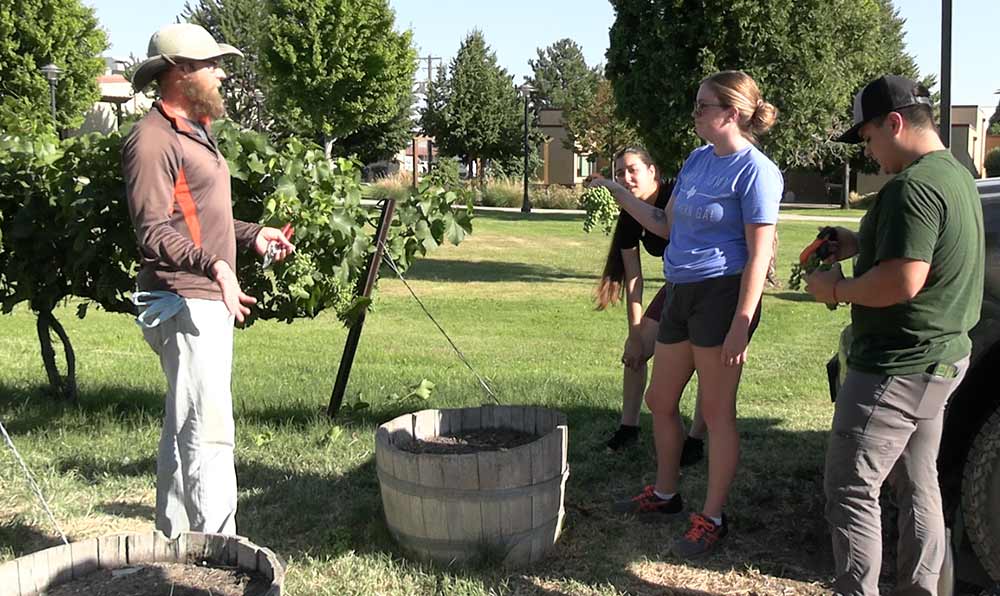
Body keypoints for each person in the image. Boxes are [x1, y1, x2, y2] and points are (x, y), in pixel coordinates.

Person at [806, 75, 984, 596]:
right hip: (942, 361)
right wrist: (860, 241)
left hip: (895, 368)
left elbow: (904, 280)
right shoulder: (953, 173)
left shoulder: (912, 187)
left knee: (851, 488)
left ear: (896, 123)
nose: (867, 151)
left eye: (866, 138)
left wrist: (835, 291)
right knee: (918, 484)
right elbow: (928, 253)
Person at [596, 70, 782, 558]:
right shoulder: (698, 161)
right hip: (679, 290)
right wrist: (619, 194)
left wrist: (742, 321)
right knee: (660, 399)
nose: (694, 113)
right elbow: (663, 223)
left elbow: (760, 254)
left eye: (703, 106)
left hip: (723, 296)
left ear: (732, 113)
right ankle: (665, 494)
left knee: (717, 413)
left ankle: (713, 517)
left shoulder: (756, 171)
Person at [122, 23, 295, 538]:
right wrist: (214, 265)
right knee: (209, 437)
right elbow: (153, 231)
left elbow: (201, 215)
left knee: (184, 434)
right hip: (183, 301)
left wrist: (251, 236)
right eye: (211, 64)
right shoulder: (152, 141)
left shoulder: (196, 131)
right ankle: (220, 556)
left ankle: (172, 544)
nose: (221, 73)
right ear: (179, 72)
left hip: (200, 296)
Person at [596, 148, 706, 465]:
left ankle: (695, 439)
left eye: (632, 170)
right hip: (676, 288)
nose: (625, 178)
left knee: (703, 360)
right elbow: (633, 278)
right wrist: (634, 334)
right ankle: (628, 427)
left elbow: (666, 225)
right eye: (619, 174)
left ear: (653, 172)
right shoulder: (630, 212)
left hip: (710, 287)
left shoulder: (674, 194)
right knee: (637, 350)